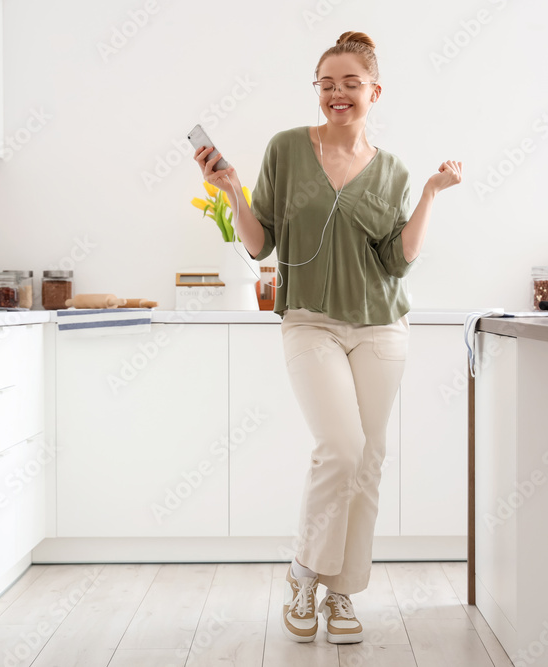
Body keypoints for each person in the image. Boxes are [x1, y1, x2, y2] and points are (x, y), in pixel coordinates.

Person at [193, 30, 462, 644]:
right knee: (341, 447)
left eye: (351, 84)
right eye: (327, 84)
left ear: (374, 91)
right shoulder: (287, 148)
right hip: (310, 318)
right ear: (316, 90)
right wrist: (233, 189)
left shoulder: (392, 170)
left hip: (381, 325)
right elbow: (263, 243)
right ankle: (305, 572)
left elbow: (398, 260)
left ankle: (342, 594)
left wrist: (428, 194)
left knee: (369, 458)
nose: (338, 94)